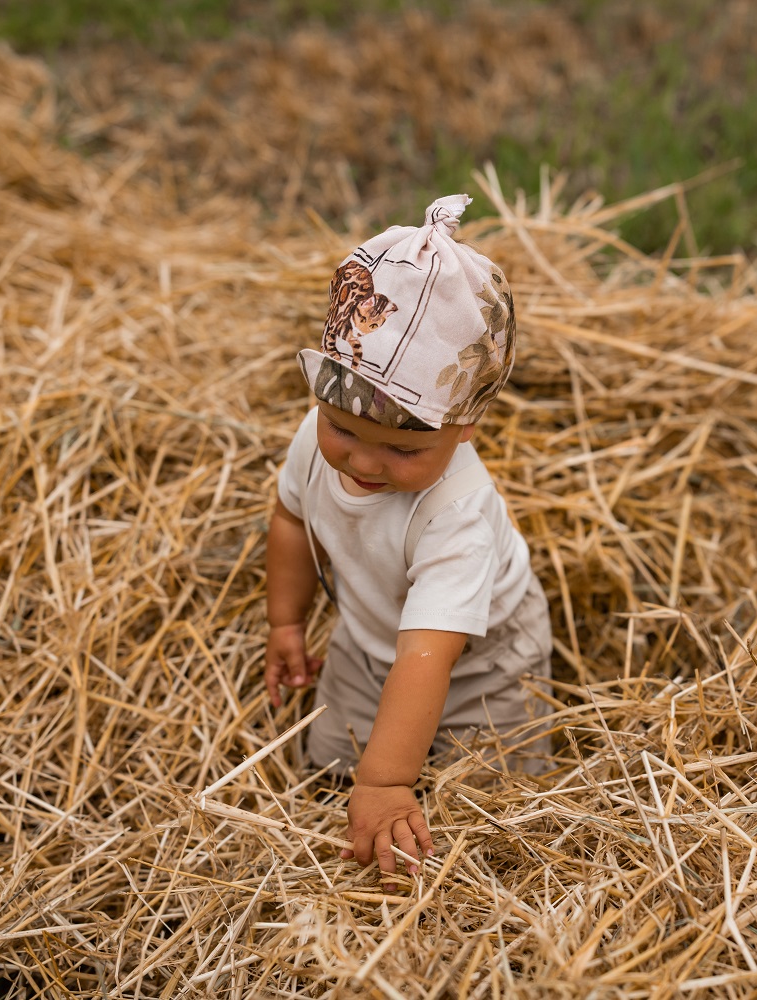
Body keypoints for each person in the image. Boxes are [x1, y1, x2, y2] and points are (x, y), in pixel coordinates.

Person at [263, 194, 552, 888]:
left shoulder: (458, 513)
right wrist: (286, 619)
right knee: (332, 768)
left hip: (485, 665)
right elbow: (291, 519)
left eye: (398, 447)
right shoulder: (314, 440)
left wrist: (389, 782)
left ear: (465, 429)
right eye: (345, 430)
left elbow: (428, 655)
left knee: (489, 798)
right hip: (371, 645)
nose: (363, 462)